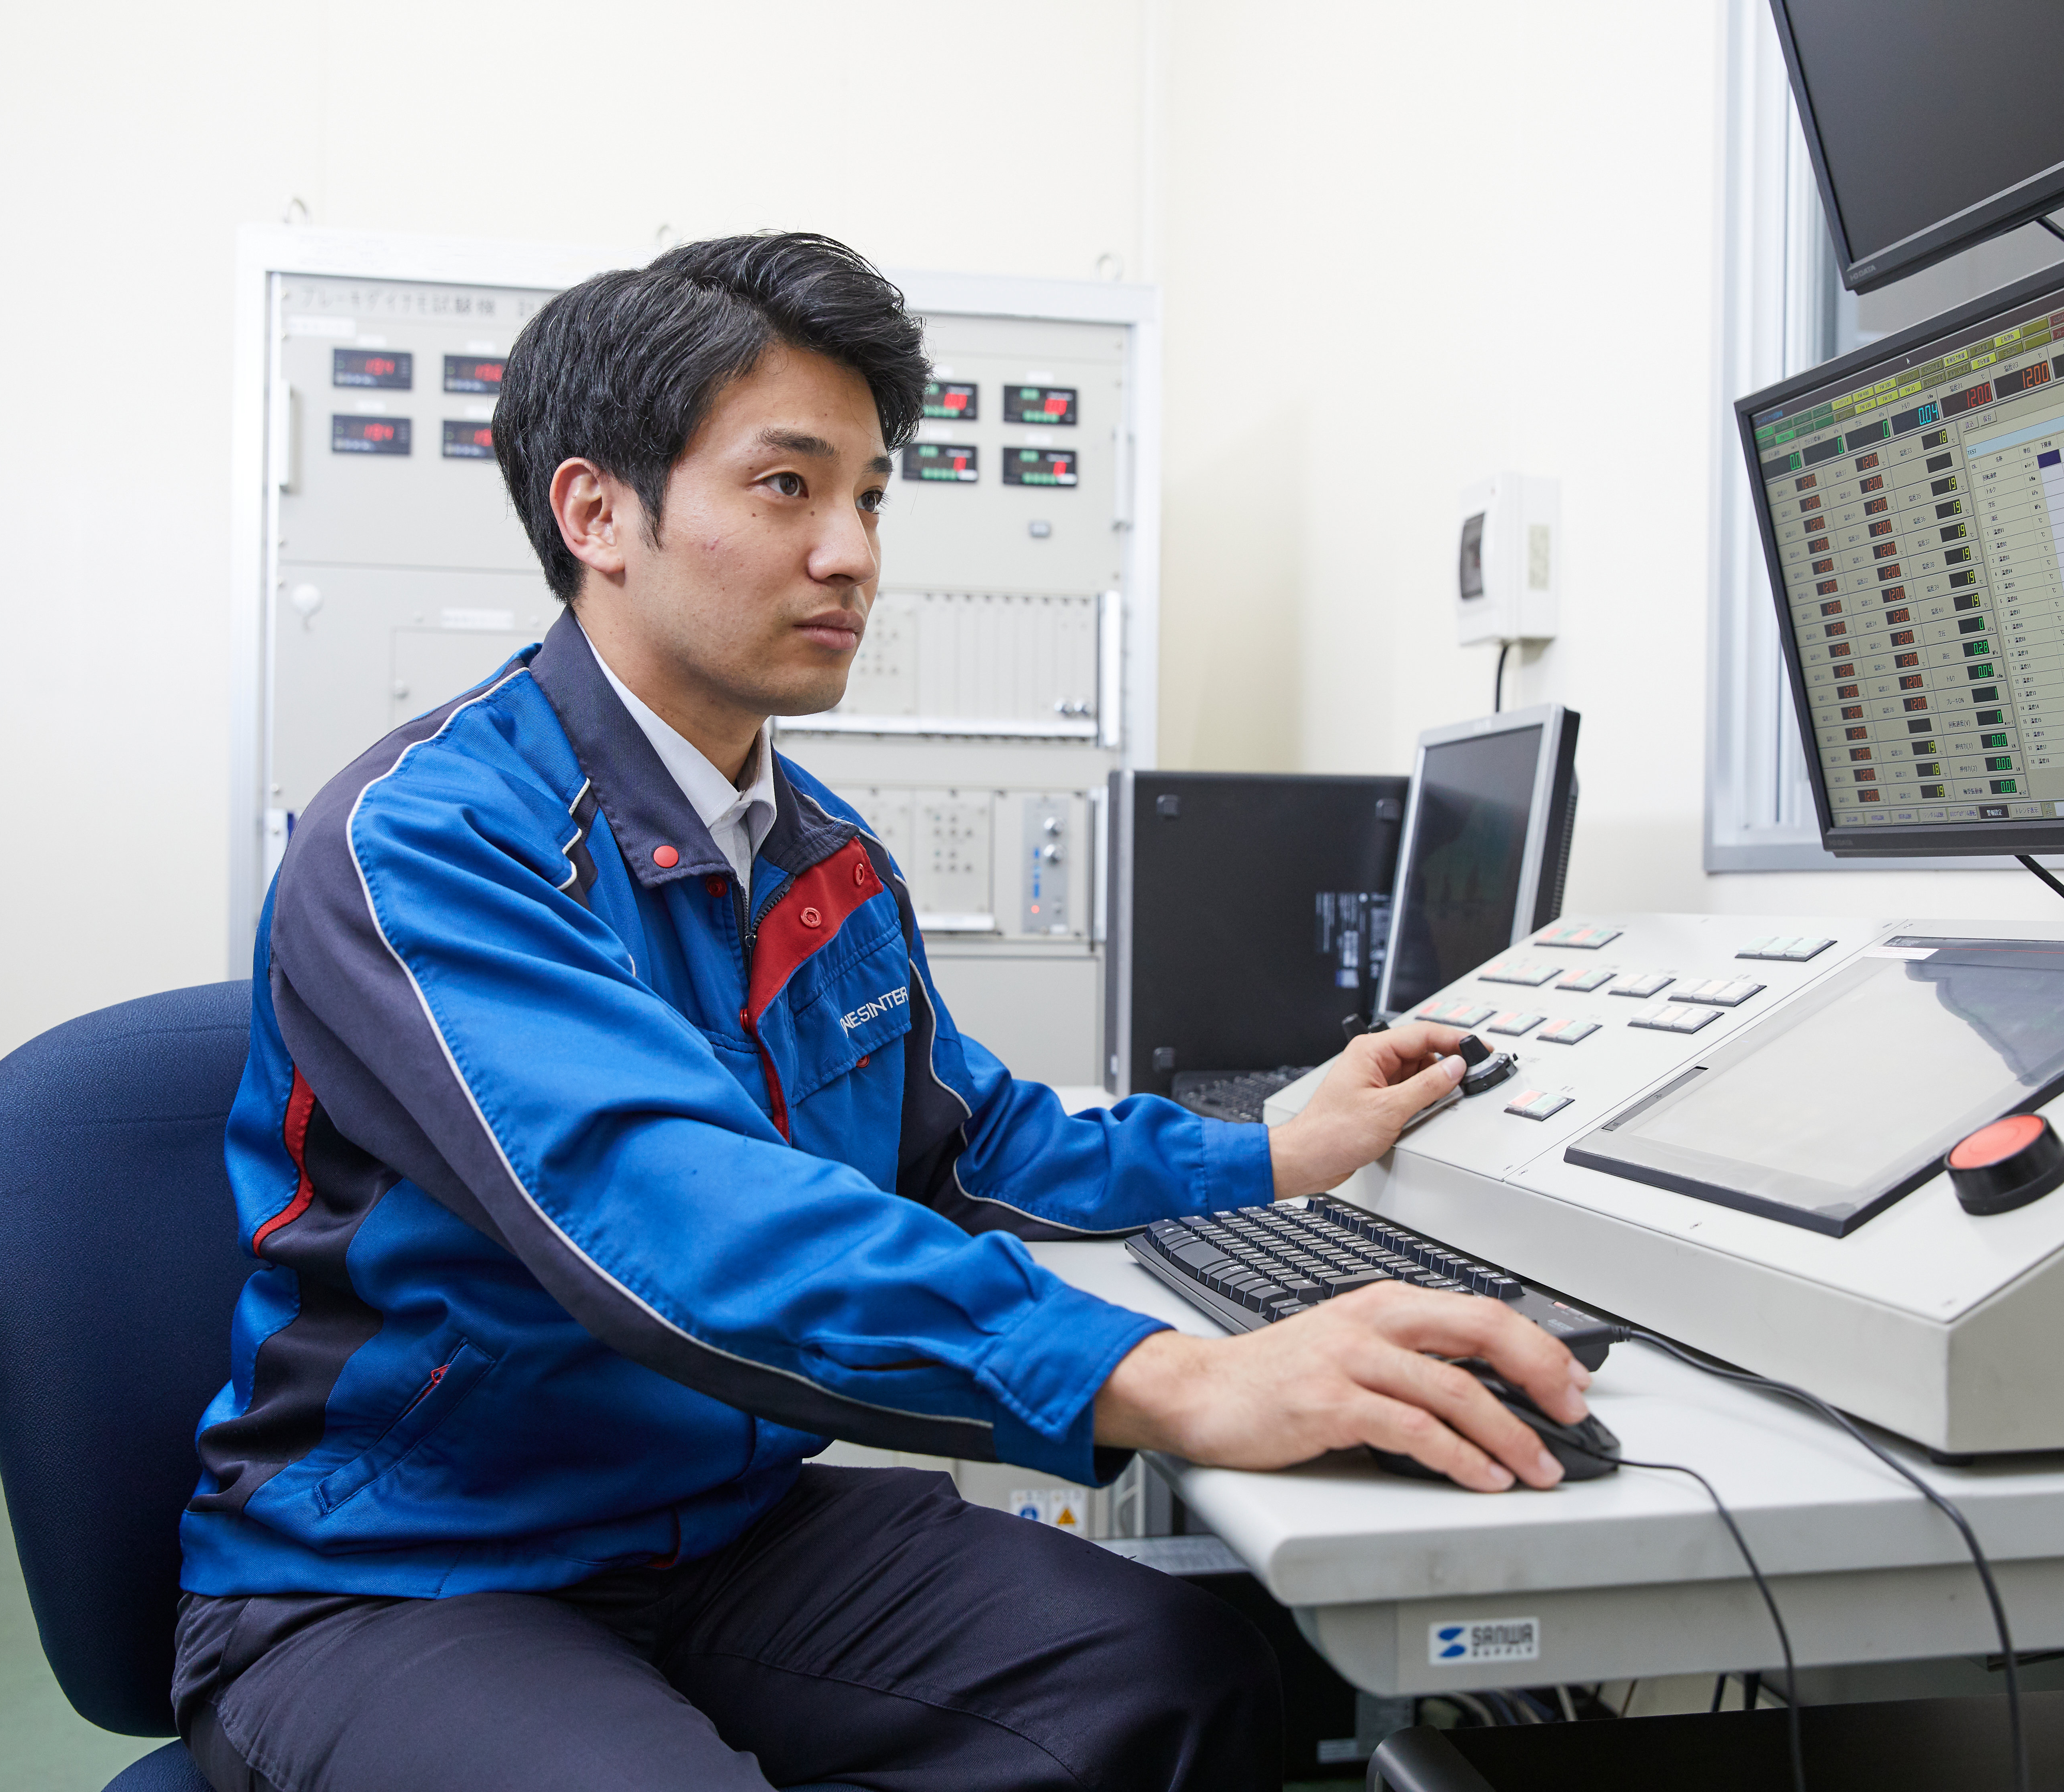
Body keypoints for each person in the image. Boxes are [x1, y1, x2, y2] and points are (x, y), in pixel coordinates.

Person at [174, 232, 1594, 1792]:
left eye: (868, 496)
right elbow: (674, 1215)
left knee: (1185, 1680)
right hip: (410, 1572)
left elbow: (967, 1144)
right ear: (599, 515)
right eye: (788, 486)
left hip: (723, 1535)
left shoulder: (823, 855)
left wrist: (1270, 1146)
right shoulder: (434, 839)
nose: (851, 551)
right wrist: (1175, 1376)